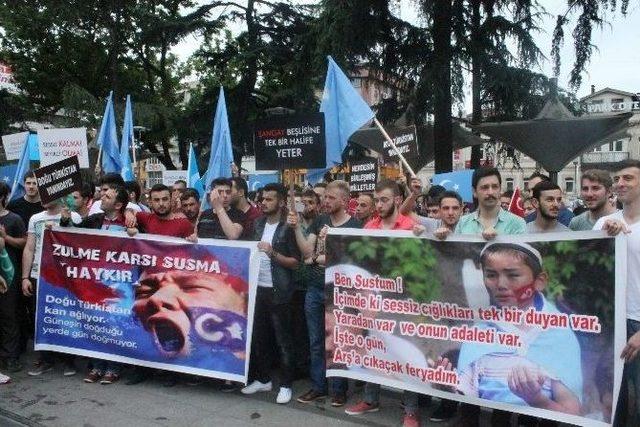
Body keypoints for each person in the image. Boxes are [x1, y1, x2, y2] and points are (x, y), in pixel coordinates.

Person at [453, 243, 582, 415]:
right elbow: (467, 406)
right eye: (491, 275)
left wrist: (536, 399)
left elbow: (573, 414)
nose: (501, 284)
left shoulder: (558, 334)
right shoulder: (478, 334)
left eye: (513, 275)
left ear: (539, 282)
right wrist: (446, 388)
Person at [345, 180, 420, 427]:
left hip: (401, 304)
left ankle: (411, 410)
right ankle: (370, 398)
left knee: (404, 354)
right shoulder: (370, 226)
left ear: (398, 200)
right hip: (373, 303)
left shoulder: (411, 227)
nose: (379, 205)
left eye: (384, 200)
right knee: (372, 349)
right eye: (376, 200)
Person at [288, 180, 361, 406]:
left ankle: (338, 389)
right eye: (325, 197)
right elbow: (307, 250)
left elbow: (352, 259)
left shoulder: (356, 226)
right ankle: (319, 386)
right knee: (316, 341)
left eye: (330, 197)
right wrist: (296, 229)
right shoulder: (320, 221)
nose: (325, 201)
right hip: (315, 289)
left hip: (340, 292)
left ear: (344, 200)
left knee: (338, 342)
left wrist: (322, 259)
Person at [60, 185, 130, 385]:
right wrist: (65, 219)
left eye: (107, 196)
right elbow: (73, 235)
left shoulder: (129, 222)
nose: (102, 198)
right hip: (94, 283)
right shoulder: (95, 220)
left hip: (119, 286)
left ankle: (114, 368)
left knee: (115, 326)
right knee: (96, 324)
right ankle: (97, 366)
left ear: (118, 205)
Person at [240, 183, 300, 404]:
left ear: (281, 202)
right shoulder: (257, 224)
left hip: (279, 291)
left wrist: (272, 252)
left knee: (283, 340)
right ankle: (263, 379)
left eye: (269, 199)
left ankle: (285, 385)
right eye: (263, 199)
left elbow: (295, 263)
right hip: (258, 289)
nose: (264, 203)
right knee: (259, 337)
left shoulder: (288, 227)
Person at [594, 159, 640, 425]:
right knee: (612, 400)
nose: (620, 184)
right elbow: (590, 269)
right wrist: (607, 239)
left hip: (637, 322)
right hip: (610, 321)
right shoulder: (604, 223)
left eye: (628, 178)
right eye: (617, 179)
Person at [22, 198, 81, 376]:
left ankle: (68, 360)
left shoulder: (75, 216)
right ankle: (45, 359)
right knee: (39, 318)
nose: (42, 199)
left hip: (64, 277)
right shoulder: (35, 218)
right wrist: (25, 277)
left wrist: (67, 221)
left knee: (65, 317)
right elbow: (29, 248)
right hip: (39, 275)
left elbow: (79, 245)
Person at [454, 168, 526, 239]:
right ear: (474, 192)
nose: (490, 192)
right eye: (485, 187)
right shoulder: (462, 223)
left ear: (500, 189)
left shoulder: (517, 223)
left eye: (495, 187)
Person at [0, 182, 25, 373]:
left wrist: (5, 238)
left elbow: (24, 243)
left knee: (9, 315)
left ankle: (11, 357)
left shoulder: (14, 219)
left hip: (10, 275)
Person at [126, 184, 194, 239]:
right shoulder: (147, 218)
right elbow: (126, 210)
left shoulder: (184, 224)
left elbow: (192, 250)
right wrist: (128, 214)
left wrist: (193, 240)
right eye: (156, 200)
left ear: (171, 200)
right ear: (150, 202)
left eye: (165, 199)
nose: (161, 203)